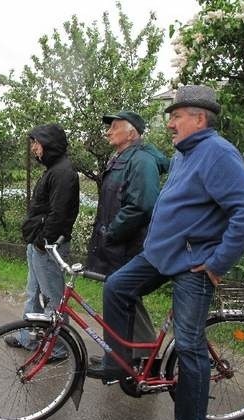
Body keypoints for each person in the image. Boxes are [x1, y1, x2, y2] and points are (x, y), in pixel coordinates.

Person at [86, 85, 244, 420]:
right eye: (170, 116)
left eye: (176, 116)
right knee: (116, 286)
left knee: (188, 344)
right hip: (160, 254)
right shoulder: (186, 151)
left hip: (193, 264)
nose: (170, 123)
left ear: (199, 119)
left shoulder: (217, 152)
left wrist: (218, 263)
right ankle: (122, 364)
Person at [86, 111, 168, 362]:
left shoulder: (141, 160)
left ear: (131, 133)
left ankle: (126, 359)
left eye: (114, 127)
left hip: (129, 243)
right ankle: (133, 356)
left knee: (122, 295)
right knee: (125, 298)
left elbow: (142, 205)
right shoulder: (122, 157)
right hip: (118, 243)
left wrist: (112, 232)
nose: (108, 132)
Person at [4, 123, 80, 359]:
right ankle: (28, 338)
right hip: (39, 244)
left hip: (49, 246)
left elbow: (60, 214)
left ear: (48, 144)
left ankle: (58, 348)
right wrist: (36, 241)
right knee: (33, 293)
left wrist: (42, 241)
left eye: (36, 143)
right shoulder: (54, 169)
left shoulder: (63, 172)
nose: (34, 149)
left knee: (53, 298)